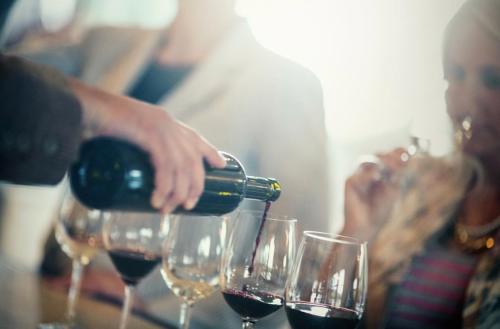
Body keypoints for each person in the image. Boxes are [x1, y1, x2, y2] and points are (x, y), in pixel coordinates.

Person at [22, 0, 329, 231]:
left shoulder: (288, 84)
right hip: (62, 280)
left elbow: (298, 232)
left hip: (167, 308)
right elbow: (17, 85)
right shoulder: (105, 41)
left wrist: (157, 302)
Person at [342, 0, 500, 328]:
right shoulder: (418, 189)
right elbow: (323, 314)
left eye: (492, 80)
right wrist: (358, 231)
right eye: (454, 75)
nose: (464, 98)